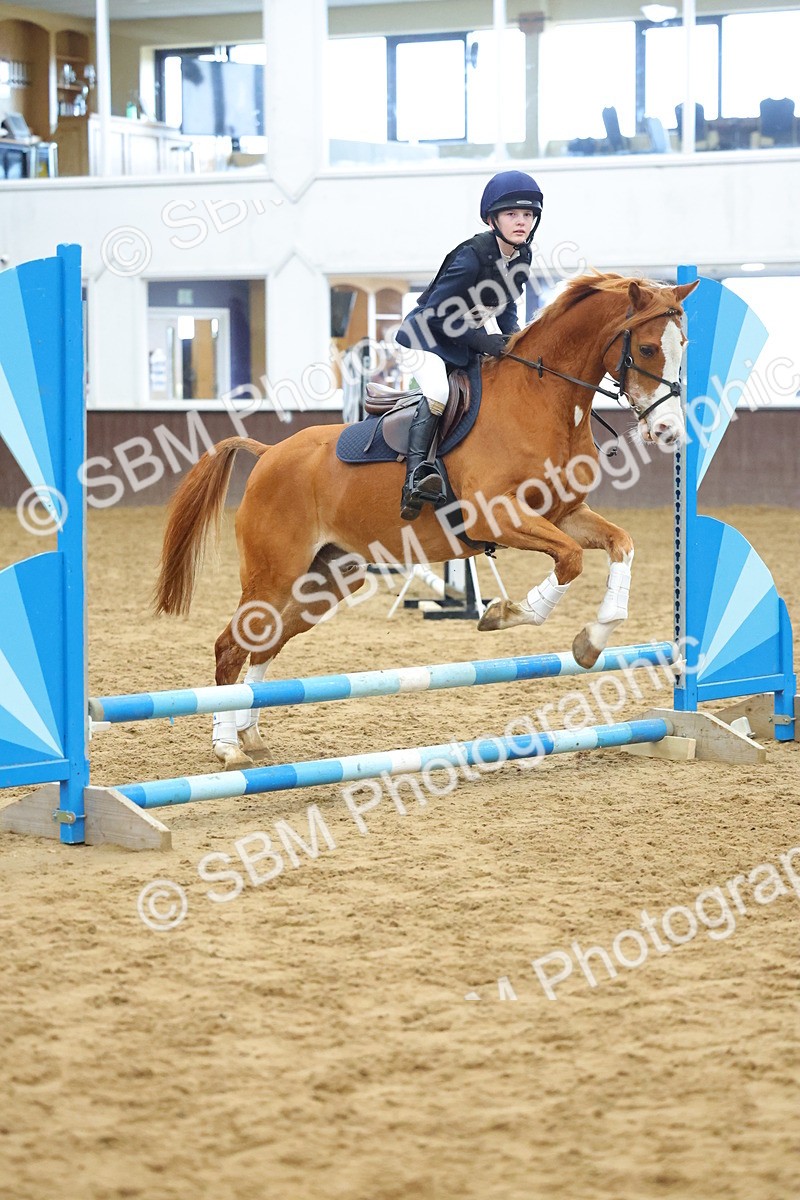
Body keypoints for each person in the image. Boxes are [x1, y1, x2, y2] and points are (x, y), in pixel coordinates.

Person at [394, 169, 543, 520]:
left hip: (461, 344)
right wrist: (482, 341)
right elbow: (435, 313)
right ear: (493, 219)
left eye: (528, 214)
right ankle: (416, 477)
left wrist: (514, 342)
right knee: (438, 394)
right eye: (512, 214)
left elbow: (506, 306)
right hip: (423, 341)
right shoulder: (471, 256)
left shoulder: (522, 256)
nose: (521, 222)